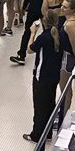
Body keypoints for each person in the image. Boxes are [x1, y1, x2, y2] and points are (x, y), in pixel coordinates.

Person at [24, 9, 70, 142]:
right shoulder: (60, 35)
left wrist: (32, 33)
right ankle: (48, 132)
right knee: (50, 104)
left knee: (39, 106)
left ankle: (36, 135)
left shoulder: (43, 37)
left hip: (41, 76)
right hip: (54, 76)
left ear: (44, 21)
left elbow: (29, 49)